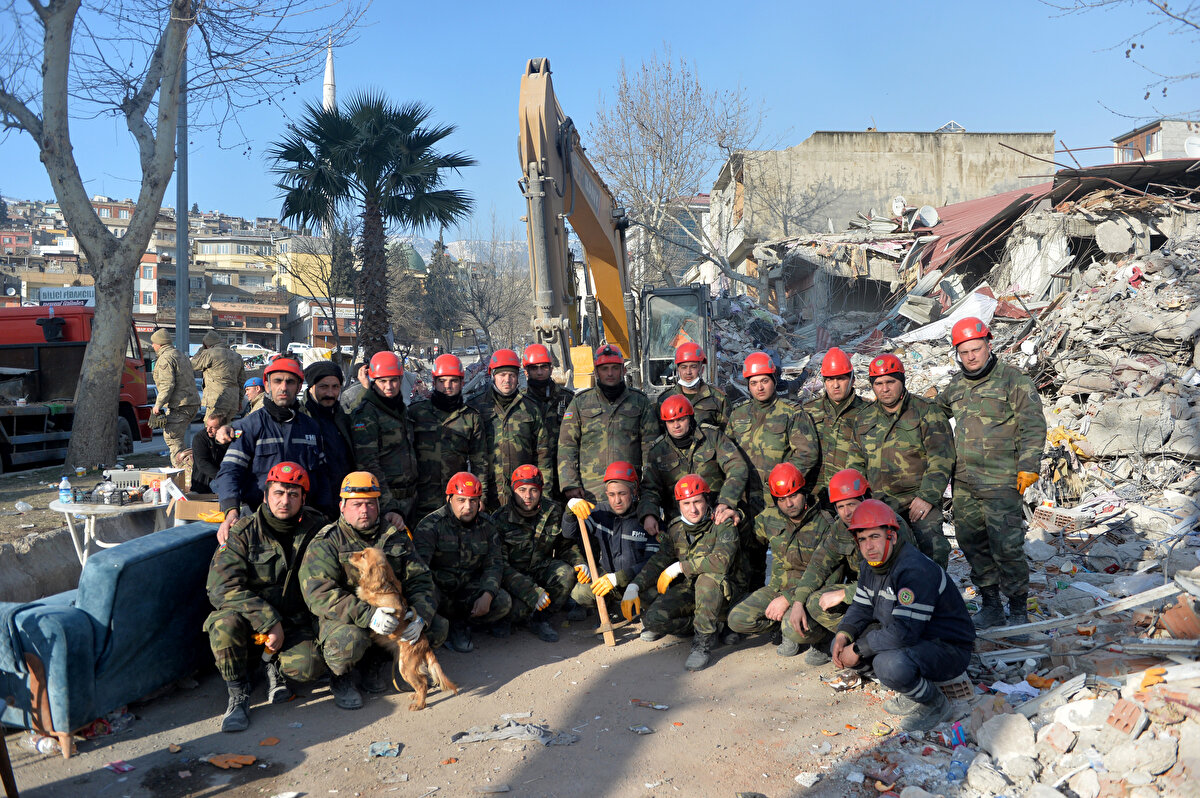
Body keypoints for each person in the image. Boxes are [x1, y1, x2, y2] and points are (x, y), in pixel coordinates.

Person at [937, 317, 1046, 629]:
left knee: (1007, 547)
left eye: (976, 349)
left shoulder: (1013, 380)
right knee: (972, 544)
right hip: (964, 482)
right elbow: (933, 414)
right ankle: (992, 606)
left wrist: (1028, 466)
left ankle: (1019, 610)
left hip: (1002, 481)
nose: (971, 357)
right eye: (964, 352)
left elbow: (1033, 425)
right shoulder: (956, 386)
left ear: (989, 344)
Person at [299, 472, 440, 710]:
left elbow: (421, 579)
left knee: (436, 628)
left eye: (370, 503)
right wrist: (369, 615)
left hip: (390, 618)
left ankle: (377, 665)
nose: (364, 510)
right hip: (345, 619)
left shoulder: (394, 535)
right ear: (342, 507)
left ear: (379, 506)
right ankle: (341, 678)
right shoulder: (327, 541)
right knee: (349, 641)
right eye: (356, 504)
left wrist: (419, 615)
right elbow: (318, 593)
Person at [831, 498, 976, 731]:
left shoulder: (914, 570)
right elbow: (861, 607)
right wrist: (843, 635)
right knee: (843, 643)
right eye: (862, 539)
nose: (869, 546)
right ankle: (911, 686)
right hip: (914, 637)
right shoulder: (870, 565)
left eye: (875, 537)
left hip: (947, 647)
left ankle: (934, 703)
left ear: (892, 536)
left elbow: (904, 632)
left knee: (888, 664)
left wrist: (858, 649)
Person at [205, 462, 328, 731]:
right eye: (278, 493)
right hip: (250, 621)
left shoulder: (318, 527)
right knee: (223, 625)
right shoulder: (242, 532)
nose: (285, 501)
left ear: (303, 499)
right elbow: (221, 588)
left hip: (294, 621)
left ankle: (273, 666)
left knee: (309, 667)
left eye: (293, 494)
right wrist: (268, 620)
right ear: (265, 496)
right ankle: (238, 692)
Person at [788, 469, 918, 665]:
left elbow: (896, 580)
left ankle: (879, 644)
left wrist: (845, 593)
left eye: (851, 504)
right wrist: (798, 601)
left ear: (865, 499)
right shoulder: (841, 528)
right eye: (840, 506)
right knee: (814, 603)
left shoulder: (890, 524)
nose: (846, 512)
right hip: (865, 596)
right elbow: (818, 565)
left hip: (896, 597)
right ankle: (858, 640)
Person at [623, 474, 740, 672]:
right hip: (690, 591)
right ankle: (709, 627)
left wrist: (680, 567)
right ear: (678, 505)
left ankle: (702, 643)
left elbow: (721, 562)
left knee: (707, 579)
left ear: (707, 501)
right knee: (653, 620)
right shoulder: (676, 528)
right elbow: (660, 560)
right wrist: (634, 585)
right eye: (686, 503)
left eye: (697, 502)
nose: (692, 509)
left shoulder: (722, 524)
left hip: (722, 593)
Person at [849, 354, 955, 568]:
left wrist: (926, 496)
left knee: (933, 548)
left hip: (917, 500)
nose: (884, 389)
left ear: (902, 381)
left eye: (890, 382)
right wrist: (859, 501)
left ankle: (934, 588)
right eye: (878, 384)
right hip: (879, 502)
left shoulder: (926, 411)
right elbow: (855, 463)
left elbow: (942, 457)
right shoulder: (864, 418)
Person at [213, 357, 333, 542]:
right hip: (259, 522)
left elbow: (323, 475)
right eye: (278, 381)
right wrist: (231, 511)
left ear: (299, 387)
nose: (284, 387)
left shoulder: (311, 427)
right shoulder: (249, 426)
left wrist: (324, 512)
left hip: (304, 524)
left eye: (290, 382)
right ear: (267, 385)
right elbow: (230, 471)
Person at [726, 351, 819, 586]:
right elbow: (727, 456)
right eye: (754, 383)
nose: (759, 387)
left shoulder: (791, 413)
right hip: (747, 503)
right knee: (748, 568)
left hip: (780, 504)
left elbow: (807, 453)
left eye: (765, 381)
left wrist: (784, 485)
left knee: (786, 567)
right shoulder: (737, 415)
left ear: (774, 381)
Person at [726, 462, 829, 658]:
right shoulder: (769, 518)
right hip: (777, 589)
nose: (789, 504)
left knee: (793, 626)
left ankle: (822, 637)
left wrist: (789, 598)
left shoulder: (824, 523)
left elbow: (829, 575)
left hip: (809, 594)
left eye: (793, 496)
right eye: (781, 499)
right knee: (737, 619)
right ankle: (783, 625)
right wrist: (736, 517)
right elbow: (748, 541)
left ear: (804, 492)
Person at [412, 472, 512, 654]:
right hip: (439, 593)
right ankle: (445, 626)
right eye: (461, 500)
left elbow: (494, 564)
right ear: (449, 499)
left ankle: (463, 624)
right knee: (428, 614)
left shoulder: (487, 526)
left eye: (473, 501)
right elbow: (419, 573)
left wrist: (487, 594)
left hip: (467, 590)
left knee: (502, 601)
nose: (468, 506)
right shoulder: (430, 526)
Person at [638, 395, 754, 539]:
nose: (676, 425)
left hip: (716, 518)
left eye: (681, 419)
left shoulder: (712, 437)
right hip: (679, 526)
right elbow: (650, 488)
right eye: (671, 421)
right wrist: (649, 514)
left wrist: (726, 501)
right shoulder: (658, 451)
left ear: (690, 417)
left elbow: (737, 466)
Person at [557, 343, 658, 503]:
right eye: (604, 369)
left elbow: (651, 449)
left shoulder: (639, 402)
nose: (610, 373)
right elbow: (567, 446)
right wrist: (570, 483)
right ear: (596, 371)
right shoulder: (580, 403)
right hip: (590, 493)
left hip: (629, 492)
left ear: (623, 370)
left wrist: (648, 489)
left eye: (615, 368)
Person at [491, 465, 579, 642]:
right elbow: (499, 566)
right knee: (516, 609)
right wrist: (530, 591)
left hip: (540, 569)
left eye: (533, 490)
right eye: (522, 490)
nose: (528, 496)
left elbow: (565, 547)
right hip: (513, 578)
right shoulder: (500, 519)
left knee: (566, 574)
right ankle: (509, 619)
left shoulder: (553, 511)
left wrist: (579, 562)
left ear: (541, 490)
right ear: (513, 491)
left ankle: (540, 619)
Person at [562, 461, 656, 616]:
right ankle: (611, 606)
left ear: (634, 491)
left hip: (637, 581)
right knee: (580, 593)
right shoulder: (600, 512)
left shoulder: (647, 519)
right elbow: (569, 533)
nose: (617, 500)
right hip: (607, 579)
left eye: (622, 494)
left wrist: (619, 578)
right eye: (611, 495)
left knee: (657, 596)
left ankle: (644, 614)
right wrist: (570, 511)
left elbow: (654, 562)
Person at [468, 349, 554, 509]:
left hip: (523, 496)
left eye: (512, 375)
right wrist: (477, 496)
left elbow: (543, 455)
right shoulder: (475, 406)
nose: (507, 380)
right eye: (502, 375)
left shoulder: (530, 408)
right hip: (487, 496)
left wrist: (544, 495)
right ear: (493, 376)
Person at [408, 354, 488, 521]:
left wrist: (481, 495)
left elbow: (479, 461)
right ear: (434, 382)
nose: (448, 386)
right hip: (422, 500)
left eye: (454, 381)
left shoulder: (470, 417)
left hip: (458, 501)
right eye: (442, 381)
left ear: (462, 382)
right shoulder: (417, 413)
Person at [349, 351, 419, 533]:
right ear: (373, 381)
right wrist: (389, 506)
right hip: (387, 504)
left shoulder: (399, 408)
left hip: (411, 499)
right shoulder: (367, 413)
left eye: (394, 380)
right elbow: (368, 464)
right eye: (382, 381)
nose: (389, 386)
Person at [804, 348, 866, 502]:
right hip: (814, 496)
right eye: (830, 379)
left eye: (841, 378)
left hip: (850, 496)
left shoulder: (868, 413)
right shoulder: (808, 411)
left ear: (852, 380)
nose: (835, 385)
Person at [520, 344, 574, 496]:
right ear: (526, 371)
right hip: (529, 477)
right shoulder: (519, 402)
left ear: (551, 369)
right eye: (534, 368)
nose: (539, 372)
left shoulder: (567, 399)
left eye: (543, 367)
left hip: (563, 476)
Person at [300, 360, 356, 494]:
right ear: (311, 387)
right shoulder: (299, 418)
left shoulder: (343, 418)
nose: (330, 393)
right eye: (324, 387)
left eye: (335, 387)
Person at [149, 328, 201, 468]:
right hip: (191, 402)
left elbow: (167, 384)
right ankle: (187, 470)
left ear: (160, 343)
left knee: (173, 438)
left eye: (153, 343)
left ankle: (183, 472)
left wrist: (158, 405)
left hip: (180, 404)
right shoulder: (180, 355)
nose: (152, 346)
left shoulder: (166, 358)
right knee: (177, 439)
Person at [655, 343, 730, 430]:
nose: (688, 372)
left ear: (701, 369)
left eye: (693, 367)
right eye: (684, 367)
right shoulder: (665, 399)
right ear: (678, 370)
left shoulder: (718, 399)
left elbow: (727, 433)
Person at [191, 330, 246, 421]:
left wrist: (202, 350)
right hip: (233, 401)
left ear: (206, 344)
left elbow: (193, 364)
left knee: (211, 426)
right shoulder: (237, 356)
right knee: (226, 427)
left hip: (217, 399)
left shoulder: (209, 353)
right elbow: (242, 381)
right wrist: (239, 400)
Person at [191, 411, 230, 494]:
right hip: (205, 483)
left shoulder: (230, 436)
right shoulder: (200, 438)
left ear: (222, 428)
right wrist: (223, 477)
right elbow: (202, 463)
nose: (208, 430)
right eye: (207, 426)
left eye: (213, 427)